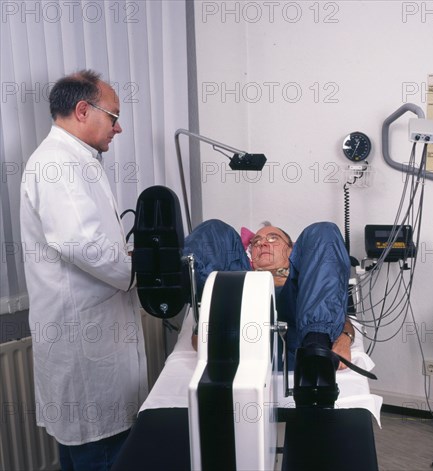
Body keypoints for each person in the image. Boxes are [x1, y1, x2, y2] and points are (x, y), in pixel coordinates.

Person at [20, 70, 148, 470]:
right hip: (86, 344)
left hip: (87, 336)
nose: (119, 127)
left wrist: (124, 256)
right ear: (82, 110)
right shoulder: (57, 164)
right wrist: (135, 269)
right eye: (113, 116)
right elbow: (84, 244)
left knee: (86, 448)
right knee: (101, 448)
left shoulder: (73, 160)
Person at [184, 219, 355, 370]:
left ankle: (317, 348)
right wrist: (204, 326)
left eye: (273, 238)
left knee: (323, 230)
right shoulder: (239, 274)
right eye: (255, 242)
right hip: (244, 309)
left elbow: (336, 310)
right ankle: (179, 279)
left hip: (295, 310)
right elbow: (196, 340)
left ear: (292, 250)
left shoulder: (308, 278)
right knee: (216, 228)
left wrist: (344, 339)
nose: (262, 244)